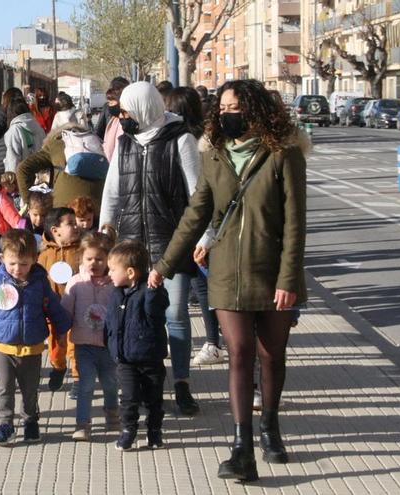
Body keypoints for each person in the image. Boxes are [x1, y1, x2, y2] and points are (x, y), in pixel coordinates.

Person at [149, 79, 307, 481]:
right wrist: (164, 265)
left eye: (234, 106)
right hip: (225, 271)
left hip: (273, 273)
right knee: (239, 352)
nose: (225, 114)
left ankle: (270, 426)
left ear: (254, 109)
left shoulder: (283, 154)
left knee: (272, 354)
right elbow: (195, 213)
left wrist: (289, 277)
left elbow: (295, 224)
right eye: (221, 108)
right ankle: (242, 446)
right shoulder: (215, 154)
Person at [98, 81, 204, 416]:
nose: (123, 117)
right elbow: (112, 192)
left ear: (144, 108)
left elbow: (197, 194)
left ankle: (183, 383)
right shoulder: (126, 143)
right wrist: (106, 228)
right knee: (139, 317)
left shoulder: (180, 139)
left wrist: (203, 237)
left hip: (171, 244)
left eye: (127, 112)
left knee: (174, 315)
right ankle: (147, 384)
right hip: (132, 246)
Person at [0, 229, 72, 445]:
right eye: (12, 263)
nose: (17, 269)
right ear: (2, 258)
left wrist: (63, 329)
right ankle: (5, 423)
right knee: (4, 387)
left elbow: (53, 306)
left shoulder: (40, 282)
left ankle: (31, 420)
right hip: (3, 347)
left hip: (32, 348)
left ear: (34, 259)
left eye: (24, 264)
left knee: (30, 389)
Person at [163, 87, 224, 363]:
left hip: (198, 225)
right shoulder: (194, 136)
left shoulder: (190, 140)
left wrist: (205, 234)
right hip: (196, 224)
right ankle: (213, 342)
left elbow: (199, 190)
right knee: (200, 287)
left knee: (202, 286)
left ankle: (213, 342)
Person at [106, 240, 170, 451]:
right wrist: (108, 341)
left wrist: (154, 289)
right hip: (125, 360)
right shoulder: (116, 293)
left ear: (130, 272)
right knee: (129, 398)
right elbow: (110, 322)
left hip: (150, 358)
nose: (110, 274)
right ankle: (128, 431)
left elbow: (156, 311)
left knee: (154, 399)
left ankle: (154, 431)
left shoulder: (150, 292)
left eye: (113, 270)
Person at [60, 232, 119, 441]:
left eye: (100, 259)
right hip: (83, 344)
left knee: (110, 383)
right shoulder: (75, 283)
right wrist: (59, 328)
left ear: (109, 260)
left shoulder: (114, 284)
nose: (94, 263)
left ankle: (112, 412)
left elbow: (121, 310)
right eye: (89, 259)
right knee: (85, 385)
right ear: (81, 259)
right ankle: (82, 424)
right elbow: (65, 311)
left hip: (108, 345)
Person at [16, 122, 107, 213]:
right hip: (97, 208)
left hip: (65, 207)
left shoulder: (55, 142)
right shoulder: (94, 143)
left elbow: (23, 168)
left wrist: (30, 203)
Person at [38, 207, 81, 393]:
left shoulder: (81, 250)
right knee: (56, 345)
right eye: (70, 223)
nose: (76, 226)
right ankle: (58, 367)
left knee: (75, 345)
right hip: (53, 310)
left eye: (76, 222)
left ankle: (79, 378)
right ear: (55, 231)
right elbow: (38, 279)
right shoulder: (44, 254)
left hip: (77, 308)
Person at [2, 97, 46, 173]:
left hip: (22, 176)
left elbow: (13, 159)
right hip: (39, 174)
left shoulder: (14, 130)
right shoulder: (38, 126)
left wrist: (11, 178)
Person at [102, 87, 126, 163]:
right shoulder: (114, 119)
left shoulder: (124, 122)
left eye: (111, 103)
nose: (109, 106)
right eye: (108, 103)